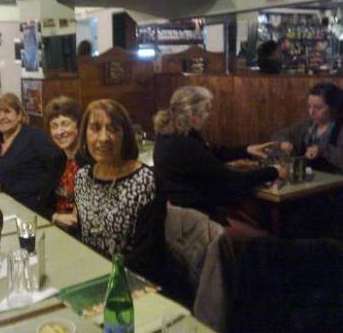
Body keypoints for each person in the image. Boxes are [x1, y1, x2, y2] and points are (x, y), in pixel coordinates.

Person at [153, 86, 289, 238]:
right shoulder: (185, 145)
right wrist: (274, 171)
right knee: (263, 237)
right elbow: (234, 181)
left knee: (251, 218)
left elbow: (212, 152)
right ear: (192, 114)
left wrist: (247, 150)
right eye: (206, 110)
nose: (208, 115)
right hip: (195, 223)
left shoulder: (169, 136)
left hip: (182, 217)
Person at [74, 99, 163, 273]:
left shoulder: (145, 180)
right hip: (90, 271)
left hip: (130, 280)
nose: (103, 137)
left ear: (125, 135)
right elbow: (83, 235)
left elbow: (147, 255)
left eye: (113, 129)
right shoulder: (82, 177)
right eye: (95, 128)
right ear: (84, 134)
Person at [0, 93, 61, 211]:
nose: (2, 117)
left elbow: (57, 164)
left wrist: (42, 198)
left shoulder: (34, 137)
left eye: (7, 111)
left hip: (27, 207)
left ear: (19, 115)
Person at [273, 82, 343, 172]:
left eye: (318, 107)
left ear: (333, 108)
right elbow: (280, 134)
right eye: (309, 106)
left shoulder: (339, 129)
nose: (311, 112)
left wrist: (322, 150)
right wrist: (284, 142)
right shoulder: (307, 125)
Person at [40, 96, 86, 229]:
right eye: (54, 126)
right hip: (58, 228)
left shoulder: (89, 160)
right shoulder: (56, 160)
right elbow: (42, 204)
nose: (59, 132)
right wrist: (55, 217)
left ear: (78, 125)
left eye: (65, 124)